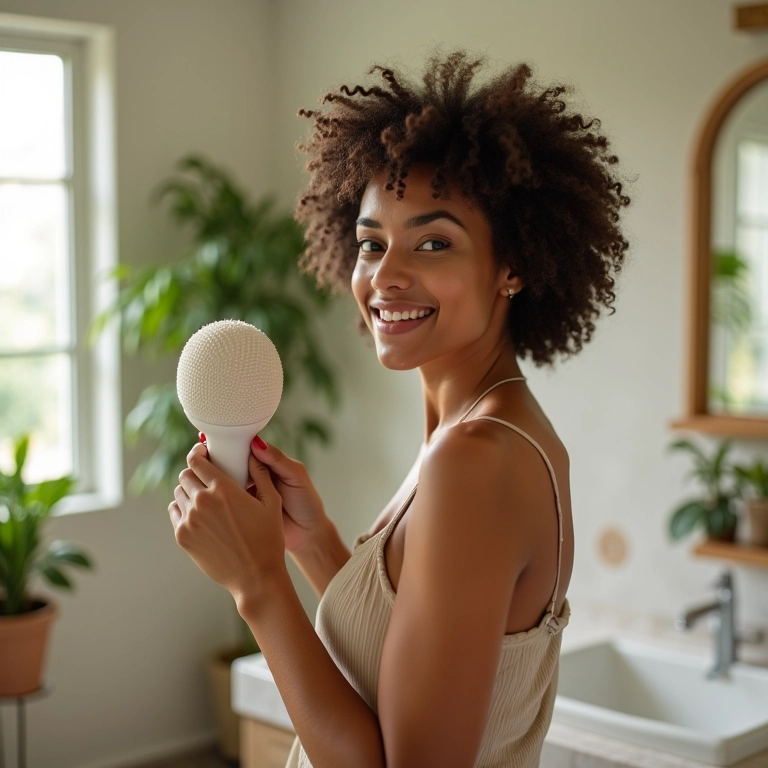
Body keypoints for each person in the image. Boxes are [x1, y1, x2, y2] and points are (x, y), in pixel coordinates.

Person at [168, 47, 632, 768]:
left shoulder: (475, 460)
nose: (386, 275)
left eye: (434, 241)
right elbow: (407, 659)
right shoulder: (484, 429)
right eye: (370, 242)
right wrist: (315, 546)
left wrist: (257, 586)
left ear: (512, 265)